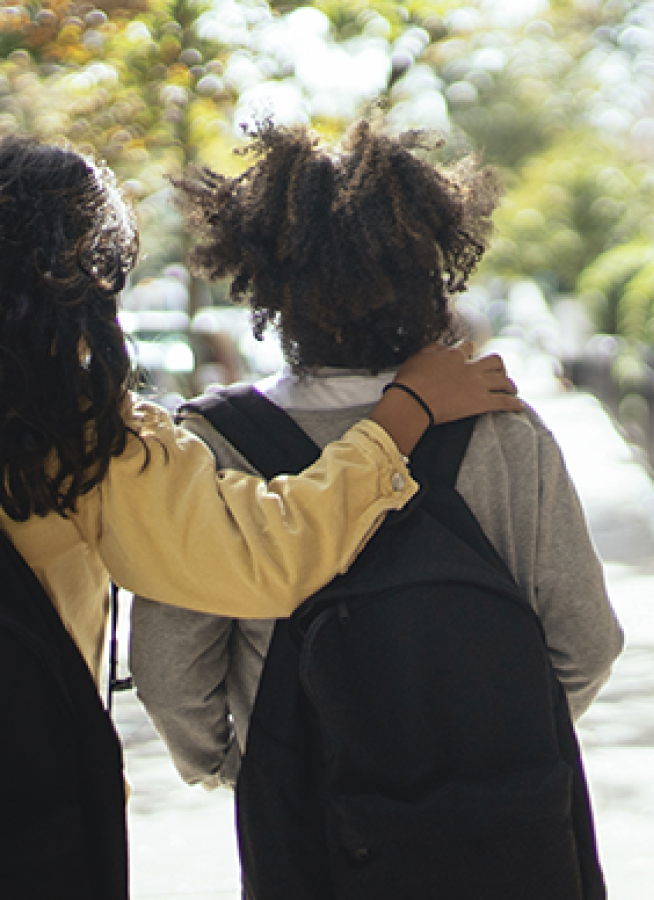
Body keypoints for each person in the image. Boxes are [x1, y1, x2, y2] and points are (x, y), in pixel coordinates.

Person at [0, 134, 521, 900]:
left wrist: (217, 756)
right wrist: (406, 413)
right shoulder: (67, 436)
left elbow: (174, 671)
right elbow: (265, 556)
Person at [131, 116, 623, 893]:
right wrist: (494, 743)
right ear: (431, 271)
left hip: (314, 828)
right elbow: (587, 643)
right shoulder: (502, 428)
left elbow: (168, 672)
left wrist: (246, 760)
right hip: (506, 829)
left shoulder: (214, 445)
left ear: (270, 283)